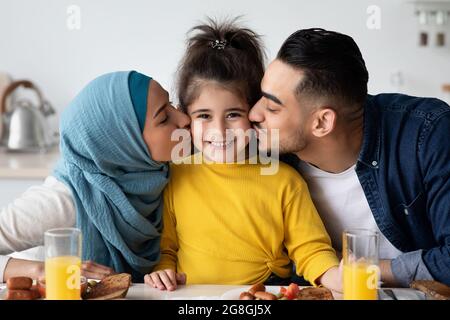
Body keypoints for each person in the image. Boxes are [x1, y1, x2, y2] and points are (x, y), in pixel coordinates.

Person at [144, 19, 341, 292]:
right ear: (186, 116)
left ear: (254, 112)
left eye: (233, 114)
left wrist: (337, 276)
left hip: (263, 293)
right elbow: (167, 249)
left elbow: (310, 249)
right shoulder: (175, 175)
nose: (220, 130)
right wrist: (162, 271)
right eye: (204, 116)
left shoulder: (285, 180)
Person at [249, 28, 450, 286]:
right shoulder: (267, 154)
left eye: (272, 107)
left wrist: (365, 273)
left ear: (322, 122)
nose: (253, 114)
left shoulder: (429, 133)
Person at [0, 71, 190, 282]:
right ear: (123, 142)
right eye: (164, 118)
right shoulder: (65, 199)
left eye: (171, 104)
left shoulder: (157, 177)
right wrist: (43, 271)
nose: (183, 119)